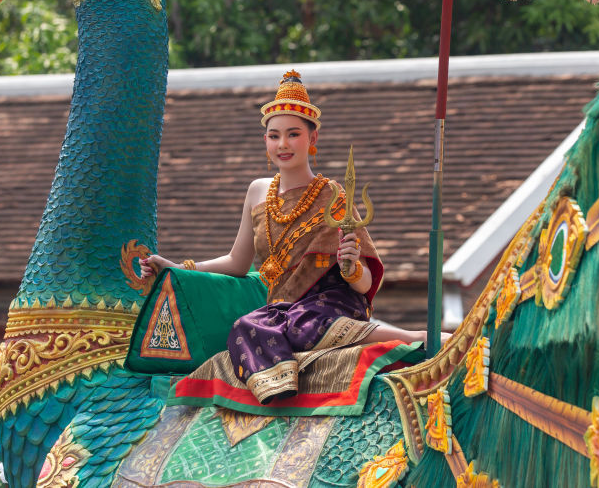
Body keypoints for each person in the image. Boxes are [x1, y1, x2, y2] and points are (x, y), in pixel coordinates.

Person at [140, 70, 426, 403]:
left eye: (293, 134)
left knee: (300, 320)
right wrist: (178, 268)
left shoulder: (332, 195)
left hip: (327, 306)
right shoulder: (257, 192)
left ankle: (412, 336)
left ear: (312, 138)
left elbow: (363, 284)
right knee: (247, 326)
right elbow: (237, 262)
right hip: (279, 312)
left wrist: (350, 268)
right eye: (274, 136)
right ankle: (278, 386)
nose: (283, 145)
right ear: (266, 142)